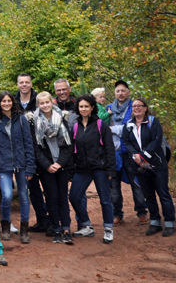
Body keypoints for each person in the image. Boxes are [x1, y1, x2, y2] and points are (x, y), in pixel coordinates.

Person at [122, 97, 176, 237]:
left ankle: (170, 223)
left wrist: (143, 156)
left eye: (139, 105)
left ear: (145, 108)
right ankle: (155, 222)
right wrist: (135, 156)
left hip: (157, 165)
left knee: (163, 194)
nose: (136, 108)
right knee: (148, 196)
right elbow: (126, 142)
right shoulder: (128, 125)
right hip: (139, 166)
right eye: (134, 106)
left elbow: (156, 141)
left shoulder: (153, 122)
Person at [0, 91, 35, 243]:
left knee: (23, 196)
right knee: (6, 195)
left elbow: (29, 144)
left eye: (9, 101)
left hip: (21, 164)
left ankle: (24, 229)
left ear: (13, 102)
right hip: (3, 165)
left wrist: (30, 167)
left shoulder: (21, 120)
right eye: (3, 101)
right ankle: (5, 226)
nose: (6, 103)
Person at [69, 94, 116, 243]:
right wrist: (72, 168)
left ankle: (108, 229)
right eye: (81, 106)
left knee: (105, 200)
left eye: (86, 106)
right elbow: (72, 150)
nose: (83, 109)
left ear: (92, 108)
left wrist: (110, 170)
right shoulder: (75, 127)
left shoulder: (101, 125)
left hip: (100, 168)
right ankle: (86, 226)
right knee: (74, 197)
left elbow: (109, 148)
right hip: (82, 168)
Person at [32, 92, 74, 245]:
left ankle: (66, 229)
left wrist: (59, 163)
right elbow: (36, 148)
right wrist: (47, 165)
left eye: (47, 102)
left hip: (61, 166)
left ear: (51, 102)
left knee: (63, 197)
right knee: (51, 198)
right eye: (41, 103)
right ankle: (56, 229)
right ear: (38, 105)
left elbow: (69, 145)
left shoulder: (62, 118)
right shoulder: (34, 121)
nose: (45, 105)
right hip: (46, 168)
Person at [107, 80, 149, 225]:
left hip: (131, 152)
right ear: (114, 93)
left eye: (123, 90)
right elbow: (103, 127)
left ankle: (142, 211)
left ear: (128, 92)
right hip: (113, 153)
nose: (120, 93)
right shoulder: (108, 109)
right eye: (118, 91)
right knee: (114, 185)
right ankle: (117, 213)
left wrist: (114, 129)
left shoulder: (134, 108)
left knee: (136, 182)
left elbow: (131, 127)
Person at [18, 74, 50, 235]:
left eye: (27, 82)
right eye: (21, 82)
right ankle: (42, 220)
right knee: (33, 189)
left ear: (31, 84)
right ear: (17, 85)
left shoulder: (39, 101)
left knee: (49, 188)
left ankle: (53, 221)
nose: (24, 85)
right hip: (24, 152)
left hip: (42, 150)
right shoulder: (14, 102)